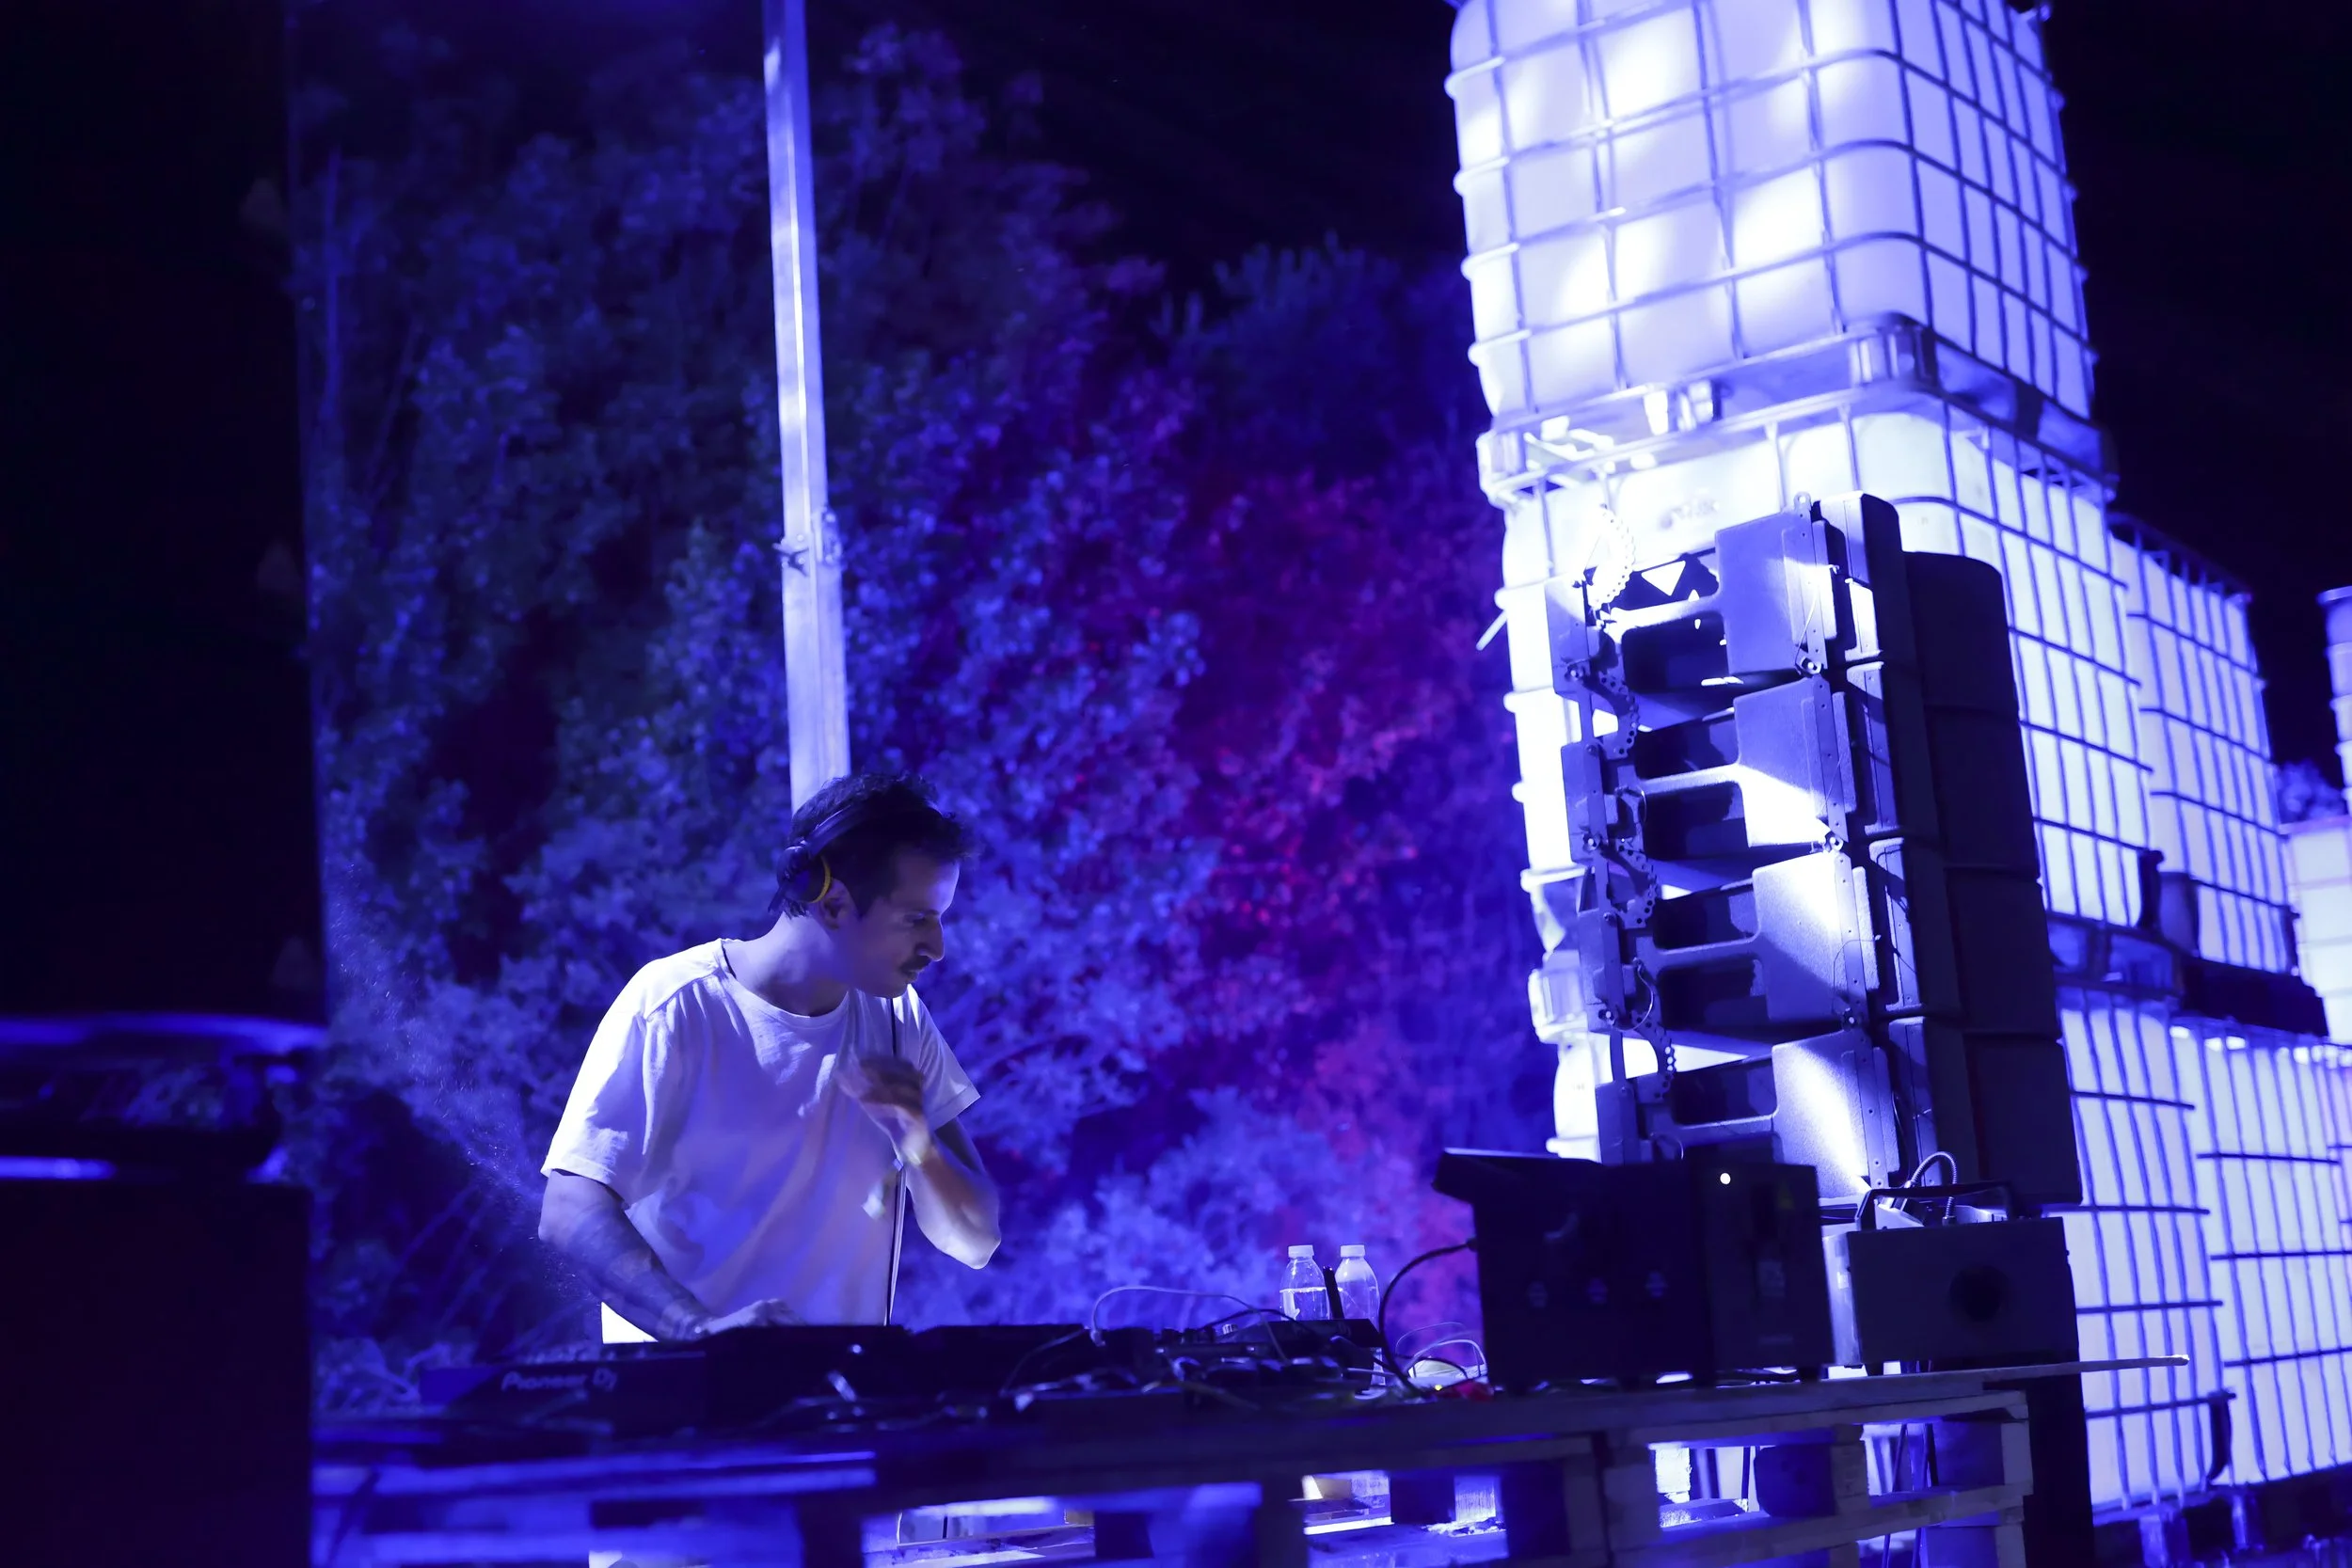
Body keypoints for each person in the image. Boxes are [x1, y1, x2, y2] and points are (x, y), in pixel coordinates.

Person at [538, 771, 1000, 1340]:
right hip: (686, 1414)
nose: (936, 947)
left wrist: (919, 1141)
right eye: (916, 919)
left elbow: (976, 1240)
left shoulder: (899, 1019)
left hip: (837, 1414)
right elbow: (568, 1210)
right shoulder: (676, 1005)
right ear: (832, 905)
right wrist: (700, 1332)